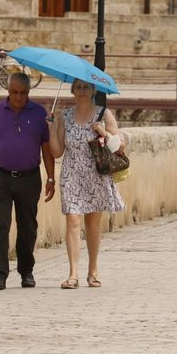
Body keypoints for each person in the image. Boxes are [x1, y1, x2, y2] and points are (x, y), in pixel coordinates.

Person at [0, 72, 55, 290]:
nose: (18, 97)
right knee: (1, 224)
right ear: (8, 91)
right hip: (1, 177)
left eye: (23, 93)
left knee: (27, 226)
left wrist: (51, 178)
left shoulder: (39, 114)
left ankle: (26, 271)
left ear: (29, 92)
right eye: (14, 92)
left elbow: (46, 148)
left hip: (29, 178)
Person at [47, 79, 125, 289]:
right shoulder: (65, 117)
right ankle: (73, 274)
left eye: (86, 87)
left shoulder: (104, 114)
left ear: (93, 91)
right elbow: (57, 152)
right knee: (72, 219)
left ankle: (93, 270)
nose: (82, 90)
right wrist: (51, 129)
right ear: (72, 90)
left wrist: (103, 132)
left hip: (95, 174)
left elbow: (120, 147)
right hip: (71, 174)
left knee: (92, 223)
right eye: (78, 87)